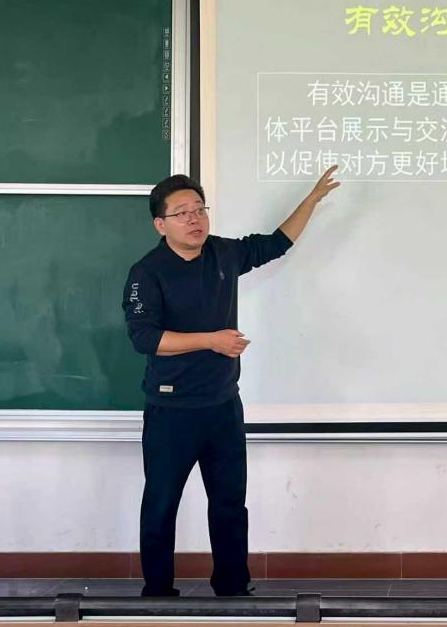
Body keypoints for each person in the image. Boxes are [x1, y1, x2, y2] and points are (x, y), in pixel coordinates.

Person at [121, 166, 339, 597]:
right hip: (171, 409)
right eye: (182, 213)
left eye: (200, 209)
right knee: (161, 504)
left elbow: (275, 244)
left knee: (229, 503)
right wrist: (211, 340)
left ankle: (233, 586)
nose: (195, 219)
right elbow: (144, 338)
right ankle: (158, 592)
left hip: (222, 406)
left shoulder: (222, 254)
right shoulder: (147, 273)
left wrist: (312, 199)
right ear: (161, 225)